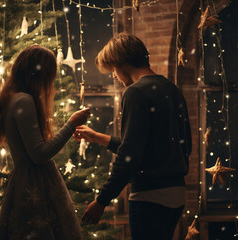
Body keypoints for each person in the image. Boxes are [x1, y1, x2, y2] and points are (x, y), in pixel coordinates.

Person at [74, 33, 192, 240]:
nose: (113, 75)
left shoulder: (136, 92)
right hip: (176, 195)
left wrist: (102, 200)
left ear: (121, 62)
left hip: (149, 197)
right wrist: (99, 137)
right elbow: (182, 146)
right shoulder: (171, 89)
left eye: (112, 69)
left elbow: (130, 155)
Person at [0, 45, 89, 240]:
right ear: (39, 74)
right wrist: (71, 124)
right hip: (34, 186)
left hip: (26, 182)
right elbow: (39, 154)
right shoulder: (23, 101)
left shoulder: (13, 99)